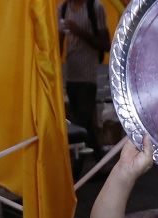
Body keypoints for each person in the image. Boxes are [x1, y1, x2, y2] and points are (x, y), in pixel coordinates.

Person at [59, 0, 108, 153]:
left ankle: (87, 158)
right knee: (82, 123)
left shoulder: (95, 8)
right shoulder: (63, 9)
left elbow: (105, 44)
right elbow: (57, 45)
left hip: (88, 77)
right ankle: (98, 156)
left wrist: (78, 31)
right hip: (71, 76)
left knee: (81, 121)